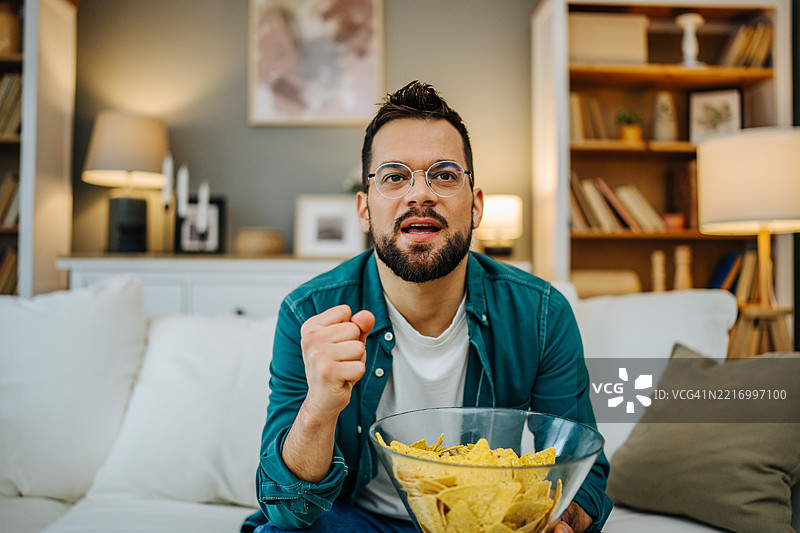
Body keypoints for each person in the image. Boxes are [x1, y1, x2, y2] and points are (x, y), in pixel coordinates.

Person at [242, 81, 612, 533]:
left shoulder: (542, 315)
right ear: (364, 209)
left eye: (444, 174)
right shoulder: (309, 313)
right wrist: (319, 407)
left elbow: (586, 476)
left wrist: (548, 521)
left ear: (475, 206)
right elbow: (285, 507)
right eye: (395, 176)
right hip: (353, 522)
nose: (420, 194)